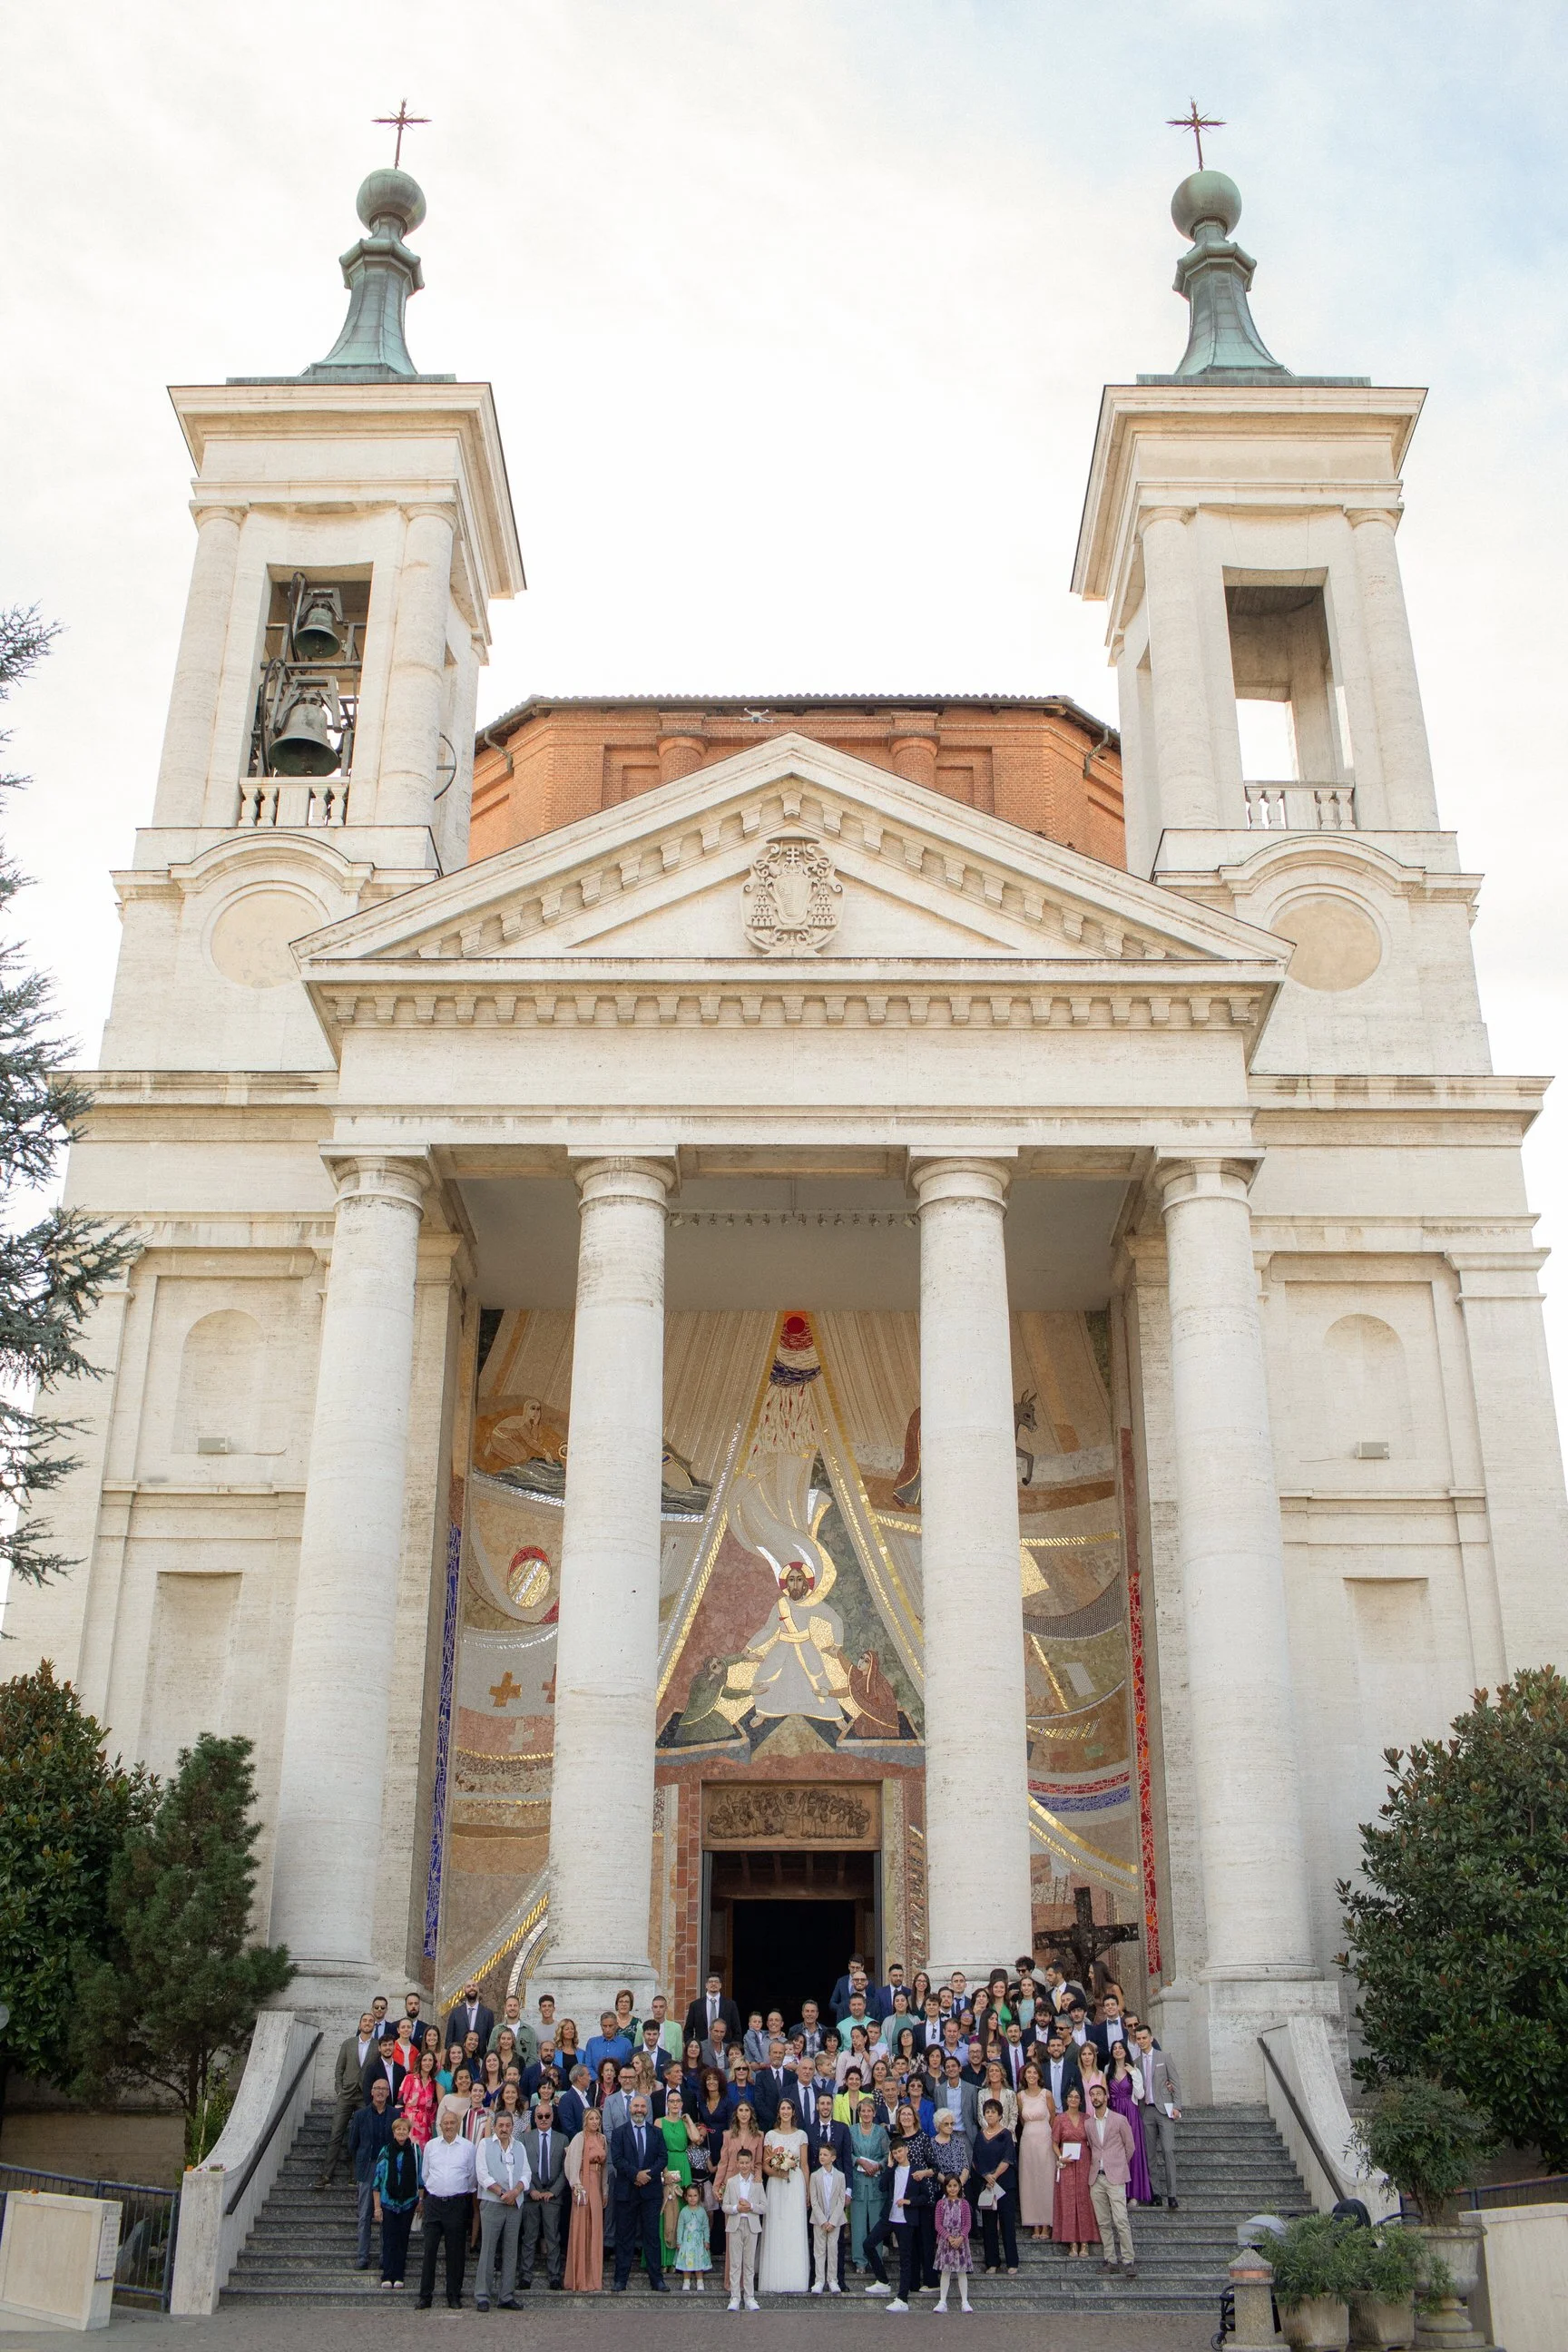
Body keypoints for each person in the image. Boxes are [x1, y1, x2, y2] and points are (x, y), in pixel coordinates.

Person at [416, 2108, 477, 2310]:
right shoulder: (431, 2146)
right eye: (445, 2123)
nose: (449, 2126)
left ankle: (454, 2295)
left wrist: (455, 2191)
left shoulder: (468, 2148)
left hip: (457, 2204)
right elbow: (425, 2175)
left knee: (455, 2253)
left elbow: (471, 2177)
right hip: (433, 2204)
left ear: (458, 2125)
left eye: (452, 2123)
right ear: (439, 2126)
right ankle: (425, 2296)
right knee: (430, 2251)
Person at [611, 2093, 668, 2292]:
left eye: (642, 2107)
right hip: (627, 2191)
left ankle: (657, 2279)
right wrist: (636, 2175)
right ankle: (620, 2279)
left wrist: (648, 2175)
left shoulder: (656, 2133)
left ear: (648, 2109)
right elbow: (617, 2159)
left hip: (651, 2192)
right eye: (635, 2106)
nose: (639, 2110)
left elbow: (662, 2159)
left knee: (652, 2237)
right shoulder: (619, 2133)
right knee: (624, 2237)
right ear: (629, 2109)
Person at [474, 2108, 528, 2310]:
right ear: (494, 2127)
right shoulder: (485, 2145)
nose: (504, 2129)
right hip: (493, 2203)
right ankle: (482, 2296)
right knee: (488, 2250)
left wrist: (515, 2192)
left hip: (515, 2204)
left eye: (508, 2126)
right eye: (501, 2126)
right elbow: (482, 2174)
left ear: (513, 2128)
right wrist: (501, 2193)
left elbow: (526, 2173)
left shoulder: (520, 2147)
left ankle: (506, 2295)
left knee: (511, 2251)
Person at [318, 2011, 380, 2189]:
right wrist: (339, 2089)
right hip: (346, 2095)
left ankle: (356, 2175)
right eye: (365, 2020)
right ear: (360, 2024)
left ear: (374, 2025)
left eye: (371, 2021)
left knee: (360, 2136)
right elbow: (339, 2068)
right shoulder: (348, 2044)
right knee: (336, 2133)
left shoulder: (377, 2046)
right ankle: (326, 2175)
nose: (367, 2023)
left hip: (364, 2096)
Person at [1084, 2079, 1137, 2277]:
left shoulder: (1119, 2119)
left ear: (1106, 2097)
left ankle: (1128, 2260)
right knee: (1103, 2222)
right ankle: (1110, 2260)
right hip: (1096, 2178)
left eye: (1099, 2094)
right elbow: (1092, 2146)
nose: (1096, 2097)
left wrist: (1118, 2164)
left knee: (1121, 2219)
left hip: (1115, 2176)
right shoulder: (1088, 2123)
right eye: (1093, 2095)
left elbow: (1130, 2146)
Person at [759, 2096, 809, 2293]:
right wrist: (779, 2171)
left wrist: (806, 2191)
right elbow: (765, 2164)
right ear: (778, 2112)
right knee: (776, 2226)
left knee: (794, 2228)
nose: (786, 2111)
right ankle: (774, 2279)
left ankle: (796, 2279)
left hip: (795, 2184)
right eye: (783, 2108)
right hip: (776, 2184)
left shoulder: (801, 2135)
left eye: (789, 2108)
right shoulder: (770, 2135)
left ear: (793, 2112)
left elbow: (804, 2165)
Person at [863, 2132, 918, 2309]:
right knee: (868, 2244)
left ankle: (902, 2299)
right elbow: (881, 2186)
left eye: (900, 2151)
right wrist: (888, 2166)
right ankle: (883, 2280)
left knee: (905, 2259)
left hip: (906, 2221)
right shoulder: (892, 2169)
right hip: (889, 2217)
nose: (898, 2155)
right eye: (894, 2153)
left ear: (906, 2150)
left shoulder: (916, 2170)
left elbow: (925, 2196)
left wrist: (909, 2202)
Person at [348, 2077, 397, 2269]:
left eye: (384, 2089)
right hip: (367, 2167)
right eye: (377, 2088)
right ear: (371, 2092)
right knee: (365, 2214)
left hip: (387, 2168)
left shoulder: (394, 2114)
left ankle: (385, 2257)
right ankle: (363, 2256)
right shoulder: (360, 2115)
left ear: (388, 2093)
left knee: (386, 2213)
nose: (380, 2092)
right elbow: (353, 2144)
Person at [519, 2094, 567, 2289]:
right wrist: (530, 2190)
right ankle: (525, 2276)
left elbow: (566, 2169)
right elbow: (520, 2166)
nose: (544, 2119)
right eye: (540, 2116)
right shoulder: (524, 2138)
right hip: (531, 2195)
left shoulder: (562, 2138)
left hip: (552, 2196)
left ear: (553, 2117)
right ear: (535, 2118)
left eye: (548, 2116)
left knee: (553, 2237)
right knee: (529, 2237)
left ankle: (555, 2276)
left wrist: (553, 2192)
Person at [372, 2110, 422, 2289]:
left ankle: (399, 2274)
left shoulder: (415, 2151)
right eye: (398, 2129)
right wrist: (377, 2208)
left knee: (403, 2239)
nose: (401, 2132)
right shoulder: (385, 2151)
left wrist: (421, 2201)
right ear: (393, 2132)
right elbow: (377, 2181)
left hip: (408, 2202)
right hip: (388, 2201)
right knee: (389, 2239)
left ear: (409, 2132)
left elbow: (420, 2178)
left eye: (404, 2129)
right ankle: (387, 2274)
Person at [1133, 2024, 1181, 2210]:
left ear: (1151, 2038)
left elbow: (1175, 2081)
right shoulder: (1136, 2062)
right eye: (1139, 2038)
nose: (1142, 2041)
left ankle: (1172, 2194)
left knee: (1168, 2151)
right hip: (1146, 2111)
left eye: (1144, 2037)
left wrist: (1177, 2105)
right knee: (1150, 2154)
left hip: (1164, 2109)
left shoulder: (1164, 2057)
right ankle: (1156, 2192)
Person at [971, 2097, 1018, 2274]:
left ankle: (1012, 2262)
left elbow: (1008, 2158)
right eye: (987, 2112)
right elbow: (975, 2159)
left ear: (1000, 2115)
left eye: (993, 2112)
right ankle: (992, 2262)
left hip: (1004, 2184)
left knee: (1007, 2223)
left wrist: (995, 2175)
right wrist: (986, 2176)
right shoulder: (980, 2135)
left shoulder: (1006, 2134)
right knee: (989, 2225)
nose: (990, 2115)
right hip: (986, 2185)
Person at [563, 2105, 607, 2292]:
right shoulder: (579, 2138)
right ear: (585, 2121)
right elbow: (571, 2163)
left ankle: (594, 2277)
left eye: (597, 2119)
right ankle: (580, 2278)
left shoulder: (603, 2139)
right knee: (582, 2227)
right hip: (582, 2183)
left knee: (595, 2226)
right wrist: (575, 2184)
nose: (595, 2122)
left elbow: (605, 2168)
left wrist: (605, 2190)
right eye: (591, 2119)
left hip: (596, 2183)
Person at [1050, 2085, 1096, 2259]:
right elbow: (1054, 2142)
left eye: (1077, 2097)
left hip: (1084, 2162)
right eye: (1071, 2097)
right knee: (1068, 2201)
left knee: (1084, 2199)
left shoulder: (1087, 2118)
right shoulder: (1060, 2119)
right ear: (1066, 2099)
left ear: (1081, 2100)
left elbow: (1093, 2141)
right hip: (1067, 2164)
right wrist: (1060, 2157)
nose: (1074, 2100)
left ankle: (1085, 2242)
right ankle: (1072, 2242)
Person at [1105, 2040, 1152, 2204]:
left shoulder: (1135, 2070)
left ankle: (1133, 2193)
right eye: (1114, 2048)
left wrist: (1132, 2073)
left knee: (1132, 2151)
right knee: (1115, 2153)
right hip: (1114, 2112)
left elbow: (1140, 2095)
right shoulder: (1107, 2070)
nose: (1118, 2051)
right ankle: (1119, 2193)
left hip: (1131, 2113)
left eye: (1120, 2048)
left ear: (1126, 2051)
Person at [848, 2093, 889, 2272]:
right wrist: (859, 2160)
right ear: (859, 2112)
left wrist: (878, 2166)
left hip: (875, 2182)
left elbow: (888, 2155)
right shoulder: (851, 2131)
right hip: (857, 2182)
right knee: (857, 2224)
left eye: (869, 2111)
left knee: (876, 2224)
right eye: (863, 2110)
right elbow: (846, 2153)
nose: (866, 2114)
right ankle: (860, 2261)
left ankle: (875, 2259)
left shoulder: (880, 2132)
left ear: (874, 2113)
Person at [1016, 2058, 1056, 2241]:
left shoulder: (1046, 2094)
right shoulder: (1020, 2096)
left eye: (1034, 2073)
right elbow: (1022, 2120)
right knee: (1029, 2181)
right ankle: (1034, 2223)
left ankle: (1047, 2224)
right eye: (1028, 2073)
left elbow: (1053, 2118)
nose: (1031, 2076)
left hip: (1045, 2139)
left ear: (1039, 2076)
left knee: (1046, 2180)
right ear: (1024, 2075)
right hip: (1027, 2140)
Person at [720, 2144, 764, 2311]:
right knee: (735, 2263)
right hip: (735, 2225)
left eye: (747, 2162)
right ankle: (734, 2297)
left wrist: (751, 2206)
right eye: (741, 2162)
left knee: (749, 2264)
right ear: (737, 2163)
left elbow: (764, 2206)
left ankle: (749, 2297)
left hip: (751, 2226)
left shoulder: (757, 2183)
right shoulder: (731, 2182)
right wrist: (736, 2209)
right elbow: (725, 2205)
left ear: (751, 2163)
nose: (744, 2166)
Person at [658, 2087, 695, 2267]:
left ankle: (679, 2259)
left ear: (681, 2104)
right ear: (667, 2103)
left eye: (677, 2101)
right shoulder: (659, 2122)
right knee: (666, 2209)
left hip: (682, 2164)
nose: (674, 2104)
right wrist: (664, 2171)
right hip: (666, 2163)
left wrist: (689, 2121)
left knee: (682, 2209)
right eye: (671, 2101)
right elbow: (657, 2146)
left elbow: (696, 2138)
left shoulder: (683, 2121)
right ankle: (665, 2258)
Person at [808, 2140, 847, 2294]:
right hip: (819, 2220)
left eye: (825, 2154)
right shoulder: (815, 2176)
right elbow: (814, 2200)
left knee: (833, 2249)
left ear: (833, 2157)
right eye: (820, 2154)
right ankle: (819, 2280)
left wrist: (833, 2220)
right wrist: (823, 2220)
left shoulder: (841, 2176)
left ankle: (833, 2280)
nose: (822, 2157)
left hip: (835, 2220)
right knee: (819, 2250)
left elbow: (841, 2200)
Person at [933, 2176, 973, 2313]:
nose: (952, 2189)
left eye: (955, 2185)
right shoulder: (940, 2204)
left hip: (961, 2242)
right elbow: (938, 2224)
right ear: (945, 2188)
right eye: (949, 2186)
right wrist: (949, 2237)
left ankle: (965, 2301)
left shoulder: (965, 2204)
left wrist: (961, 2237)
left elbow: (968, 2224)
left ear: (960, 2187)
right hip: (946, 2241)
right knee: (945, 2271)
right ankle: (942, 2301)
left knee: (962, 2272)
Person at [683, 1973, 742, 2047]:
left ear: (720, 1985)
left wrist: (732, 2048)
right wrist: (691, 2047)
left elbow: (737, 2030)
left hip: (724, 2049)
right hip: (702, 2049)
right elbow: (688, 2030)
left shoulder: (730, 2005)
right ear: (706, 1985)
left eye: (716, 1982)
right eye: (711, 1982)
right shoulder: (695, 2005)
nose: (713, 1984)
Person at [675, 2181, 711, 2291]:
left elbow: (706, 2226)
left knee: (699, 2260)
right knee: (687, 2261)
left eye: (695, 2195)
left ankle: (700, 2281)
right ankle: (686, 2281)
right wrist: (679, 2241)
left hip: (698, 2243)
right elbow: (680, 2227)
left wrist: (707, 2240)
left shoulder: (702, 2211)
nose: (692, 2198)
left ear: (699, 2196)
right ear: (686, 2197)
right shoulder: (684, 2212)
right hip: (687, 2243)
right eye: (690, 2196)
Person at [444, 1980, 495, 2054]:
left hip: (479, 2058)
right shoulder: (455, 2013)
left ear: (478, 1988)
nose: (472, 1988)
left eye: (474, 1986)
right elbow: (449, 2039)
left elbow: (491, 2041)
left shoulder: (487, 2013)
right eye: (468, 1986)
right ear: (464, 1990)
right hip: (458, 2058)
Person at [401, 2046, 438, 2146]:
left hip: (426, 2124)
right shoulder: (410, 2078)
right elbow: (400, 2102)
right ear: (420, 2062)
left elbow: (433, 2106)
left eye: (430, 2060)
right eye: (425, 2060)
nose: (427, 2063)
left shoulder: (433, 2083)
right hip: (410, 2121)